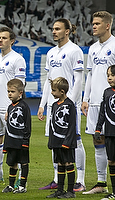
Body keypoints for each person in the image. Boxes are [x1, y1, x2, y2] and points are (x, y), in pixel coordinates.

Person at [37, 18, 86, 192]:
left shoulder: (75, 51)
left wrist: (70, 104)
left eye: (57, 28)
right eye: (53, 28)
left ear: (67, 31)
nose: (54, 31)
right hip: (53, 105)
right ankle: (58, 178)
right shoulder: (51, 53)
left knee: (76, 140)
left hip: (68, 106)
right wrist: (43, 104)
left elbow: (79, 79)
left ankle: (79, 181)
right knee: (55, 140)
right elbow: (47, 81)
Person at [0, 26, 26, 186]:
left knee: (15, 143)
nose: (1, 40)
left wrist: (13, 108)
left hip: (10, 108)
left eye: (4, 38)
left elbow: (20, 85)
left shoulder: (17, 59)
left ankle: (20, 179)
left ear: (12, 41)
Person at [81, 11, 115, 195]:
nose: (93, 26)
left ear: (107, 25)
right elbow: (90, 75)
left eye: (97, 23)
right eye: (93, 23)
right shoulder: (93, 48)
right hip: (95, 103)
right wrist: (86, 99)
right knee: (98, 140)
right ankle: (101, 182)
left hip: (112, 103)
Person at [46, 77, 77, 199]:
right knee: (60, 164)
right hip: (56, 141)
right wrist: (51, 141)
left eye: (54, 91)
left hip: (66, 142)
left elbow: (72, 125)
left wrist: (68, 141)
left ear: (62, 91)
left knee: (68, 163)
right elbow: (51, 124)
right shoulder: (54, 105)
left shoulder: (69, 105)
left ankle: (70, 191)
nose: (52, 93)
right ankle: (60, 190)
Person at [1, 79, 31, 194]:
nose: (9, 94)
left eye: (12, 91)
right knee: (12, 163)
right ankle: (11, 185)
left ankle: (22, 186)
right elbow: (8, 127)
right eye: (8, 91)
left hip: (21, 141)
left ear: (20, 93)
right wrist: (6, 143)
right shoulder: (10, 107)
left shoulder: (24, 107)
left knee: (23, 162)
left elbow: (27, 126)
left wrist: (25, 141)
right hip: (11, 141)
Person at [95, 65, 115, 200]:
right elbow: (102, 112)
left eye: (112, 75)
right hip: (110, 134)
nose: (109, 78)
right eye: (108, 75)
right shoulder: (107, 92)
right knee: (112, 162)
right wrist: (98, 128)